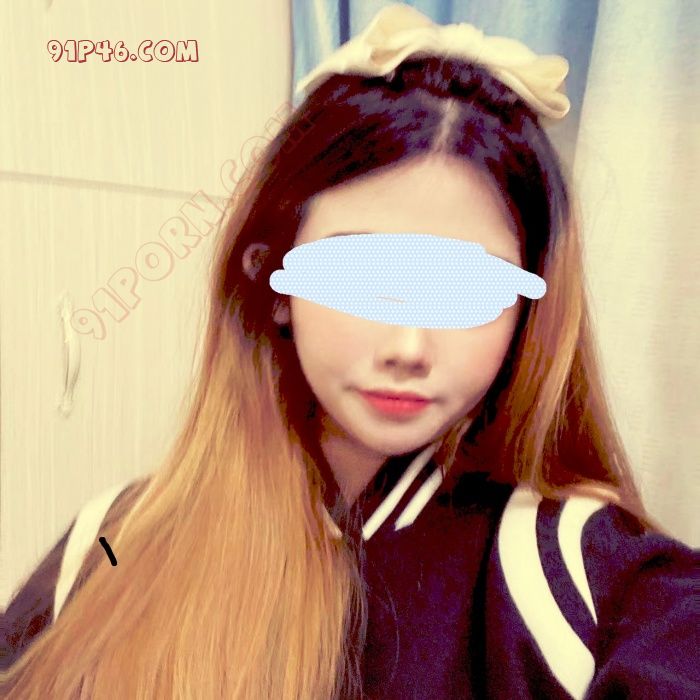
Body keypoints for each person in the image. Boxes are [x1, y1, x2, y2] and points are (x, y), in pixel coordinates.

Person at [1, 4, 697, 698]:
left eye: (467, 289)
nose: (409, 346)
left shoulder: (569, 568)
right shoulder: (112, 541)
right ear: (273, 283)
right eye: (360, 277)